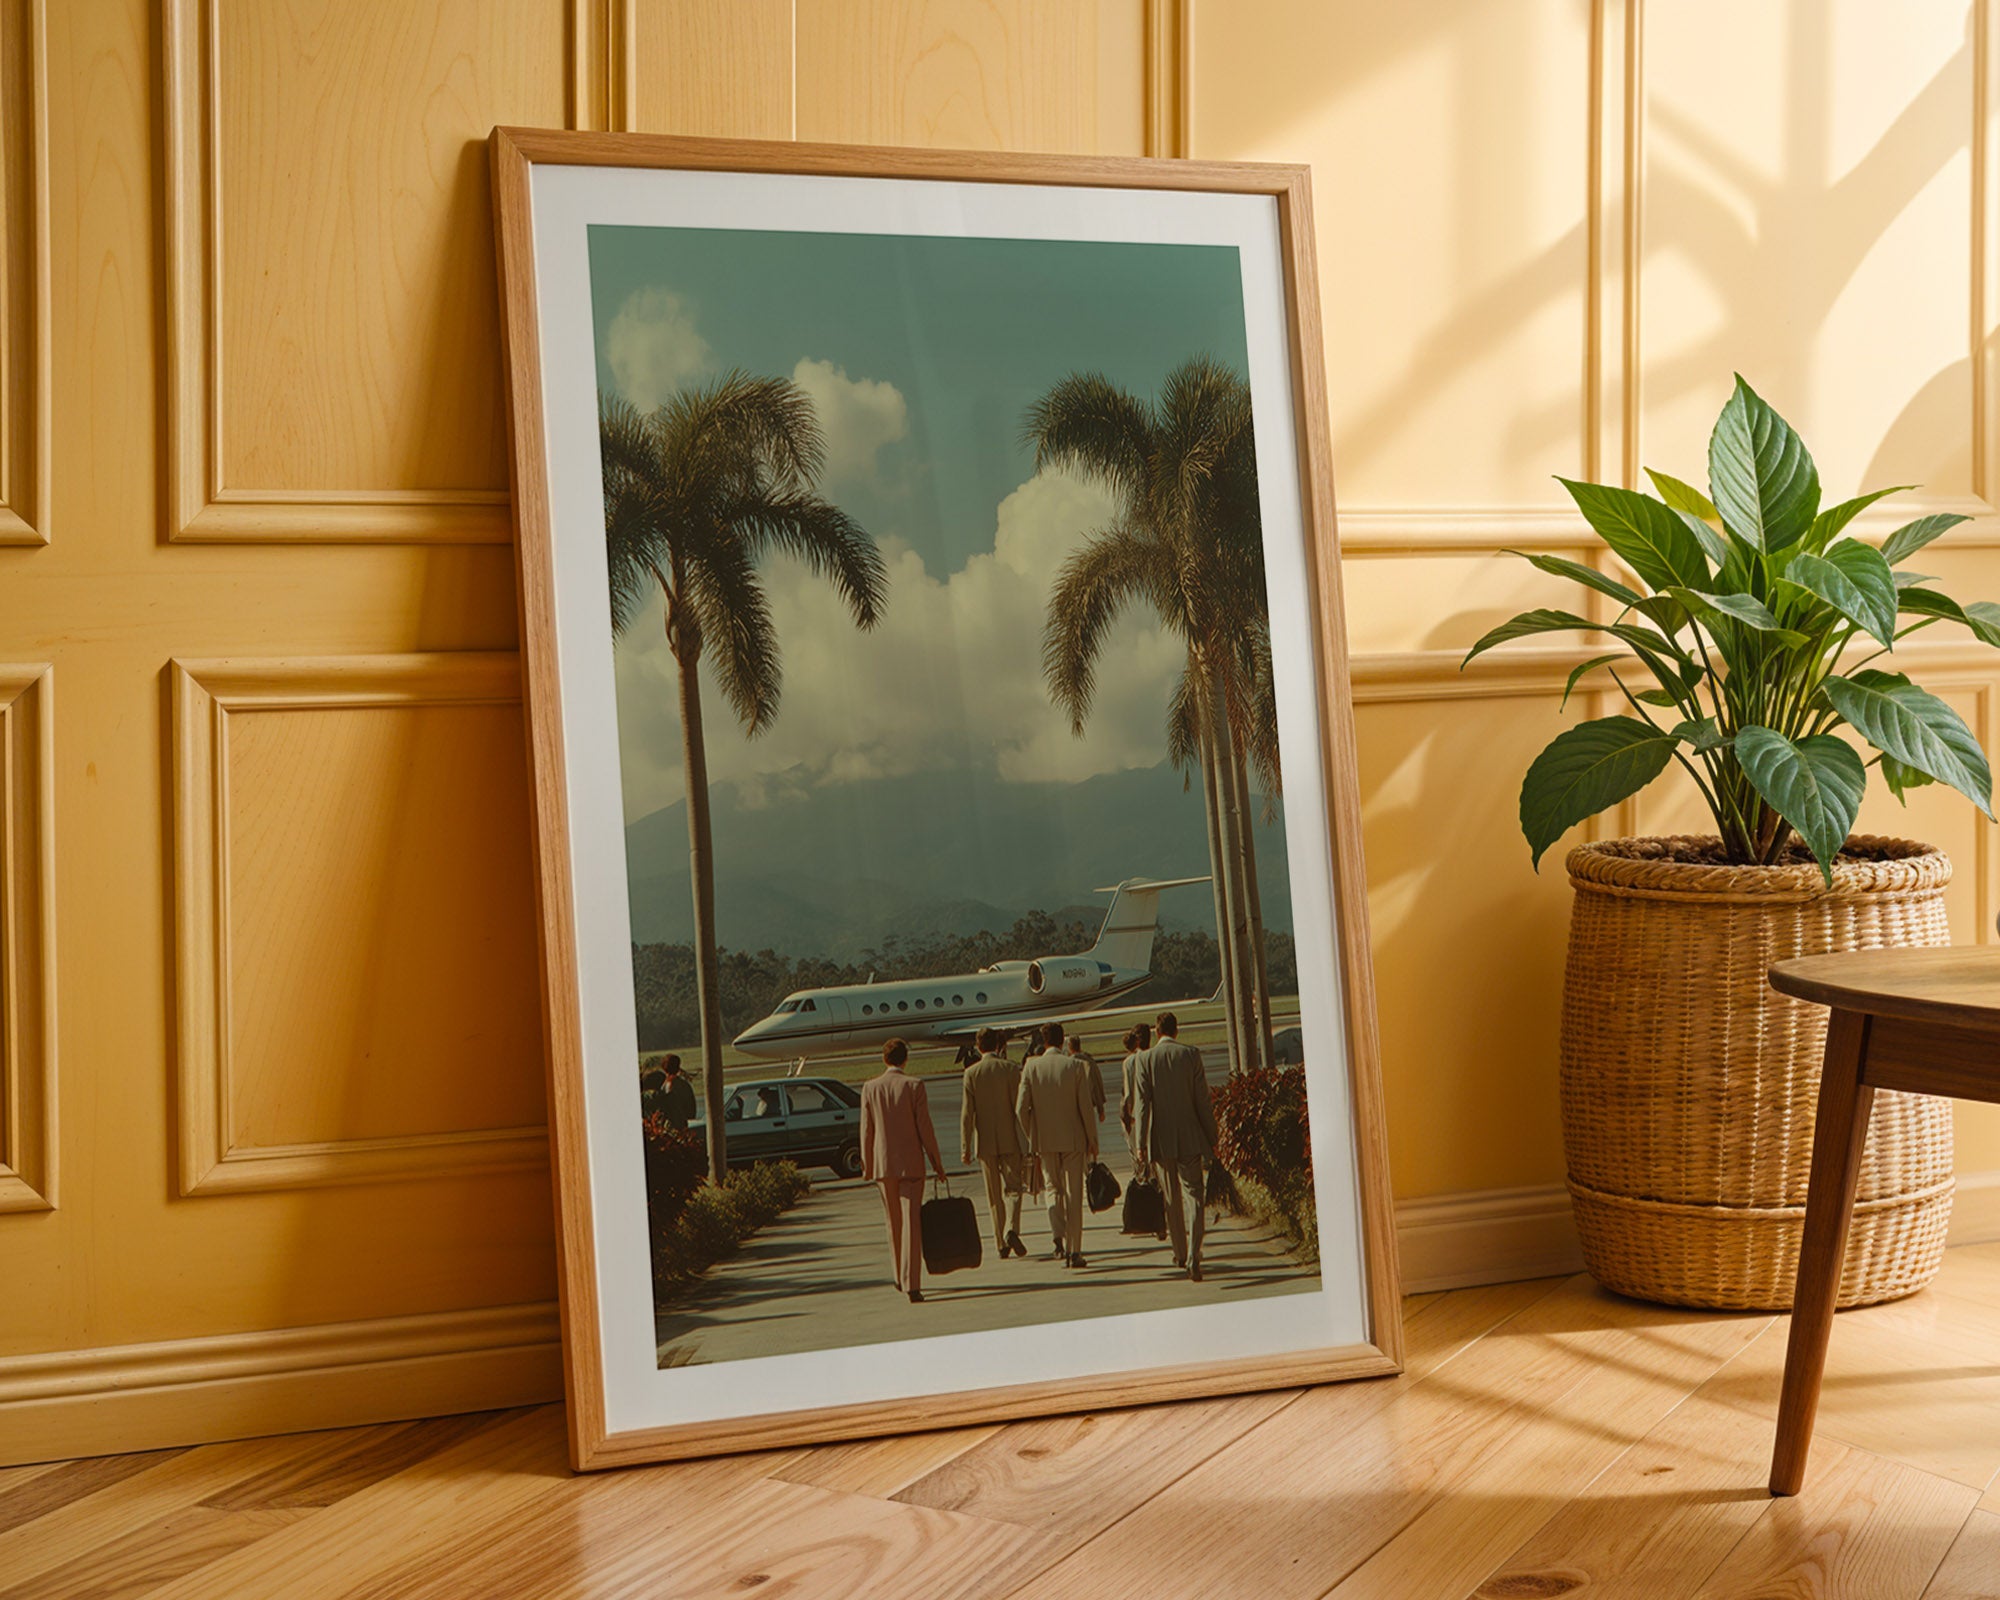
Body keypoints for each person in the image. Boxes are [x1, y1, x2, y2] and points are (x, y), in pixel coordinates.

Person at [860, 1039, 947, 1303]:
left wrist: (867, 1164)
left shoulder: (870, 1087)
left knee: (893, 1222)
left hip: (883, 1165)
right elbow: (925, 1129)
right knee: (911, 1223)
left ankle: (898, 1275)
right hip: (911, 1164)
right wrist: (937, 1163)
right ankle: (912, 1284)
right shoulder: (914, 1086)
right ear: (905, 1059)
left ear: (884, 1059)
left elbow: (866, 1130)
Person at [1136, 1011, 1217, 1281]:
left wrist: (1140, 1144)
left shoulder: (1145, 1059)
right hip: (1190, 1137)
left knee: (1172, 1199)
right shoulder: (1190, 1055)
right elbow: (1202, 1100)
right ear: (1176, 1031)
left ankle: (1180, 1253)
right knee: (1195, 1197)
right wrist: (1212, 1136)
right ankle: (1194, 1254)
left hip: (1160, 1140)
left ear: (1157, 1032)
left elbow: (1142, 1106)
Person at [1015, 1020, 1097, 1266]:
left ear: (1044, 1041)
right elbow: (1086, 1108)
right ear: (1063, 1041)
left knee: (1052, 1189)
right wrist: (1092, 1139)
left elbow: (1020, 1109)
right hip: (1073, 1139)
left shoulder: (1031, 1067)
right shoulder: (1076, 1067)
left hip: (1045, 1141)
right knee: (1073, 1194)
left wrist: (1033, 1135)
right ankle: (1075, 1251)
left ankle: (1057, 1237)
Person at [960, 1026, 1028, 1258]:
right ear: (998, 1046)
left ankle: (1000, 1243)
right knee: (1014, 1189)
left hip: (985, 1142)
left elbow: (967, 1114)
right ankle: (1011, 1228)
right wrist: (1027, 1140)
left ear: (978, 1047)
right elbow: (1019, 1108)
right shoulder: (1010, 1069)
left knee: (994, 1196)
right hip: (1010, 1139)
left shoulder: (971, 1073)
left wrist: (965, 1147)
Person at [1120, 1025, 1154, 1178]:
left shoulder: (1129, 1062)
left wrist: (1127, 1116)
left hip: (1136, 1115)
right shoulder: (1153, 1056)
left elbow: (1128, 1095)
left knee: (1139, 1164)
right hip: (1155, 1114)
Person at [1068, 1033, 1106, 1125]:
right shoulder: (1089, 1060)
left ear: (1069, 1046)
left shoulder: (1068, 1063)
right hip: (1088, 1103)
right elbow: (1096, 1084)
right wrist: (1100, 1109)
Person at [659, 1055, 696, 1132]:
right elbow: (691, 1110)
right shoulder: (684, 1085)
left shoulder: (662, 1087)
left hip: (667, 1128)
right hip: (682, 1126)